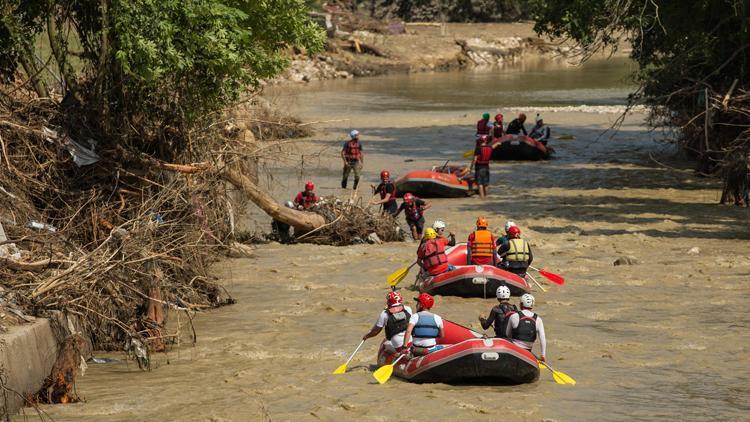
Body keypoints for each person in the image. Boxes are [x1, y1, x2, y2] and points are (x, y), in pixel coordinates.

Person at [507, 293, 546, 362]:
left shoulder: (514, 316)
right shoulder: (538, 319)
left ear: (521, 304)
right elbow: (542, 338)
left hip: (514, 350)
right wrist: (543, 355)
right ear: (532, 305)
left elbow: (507, 335)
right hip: (528, 352)